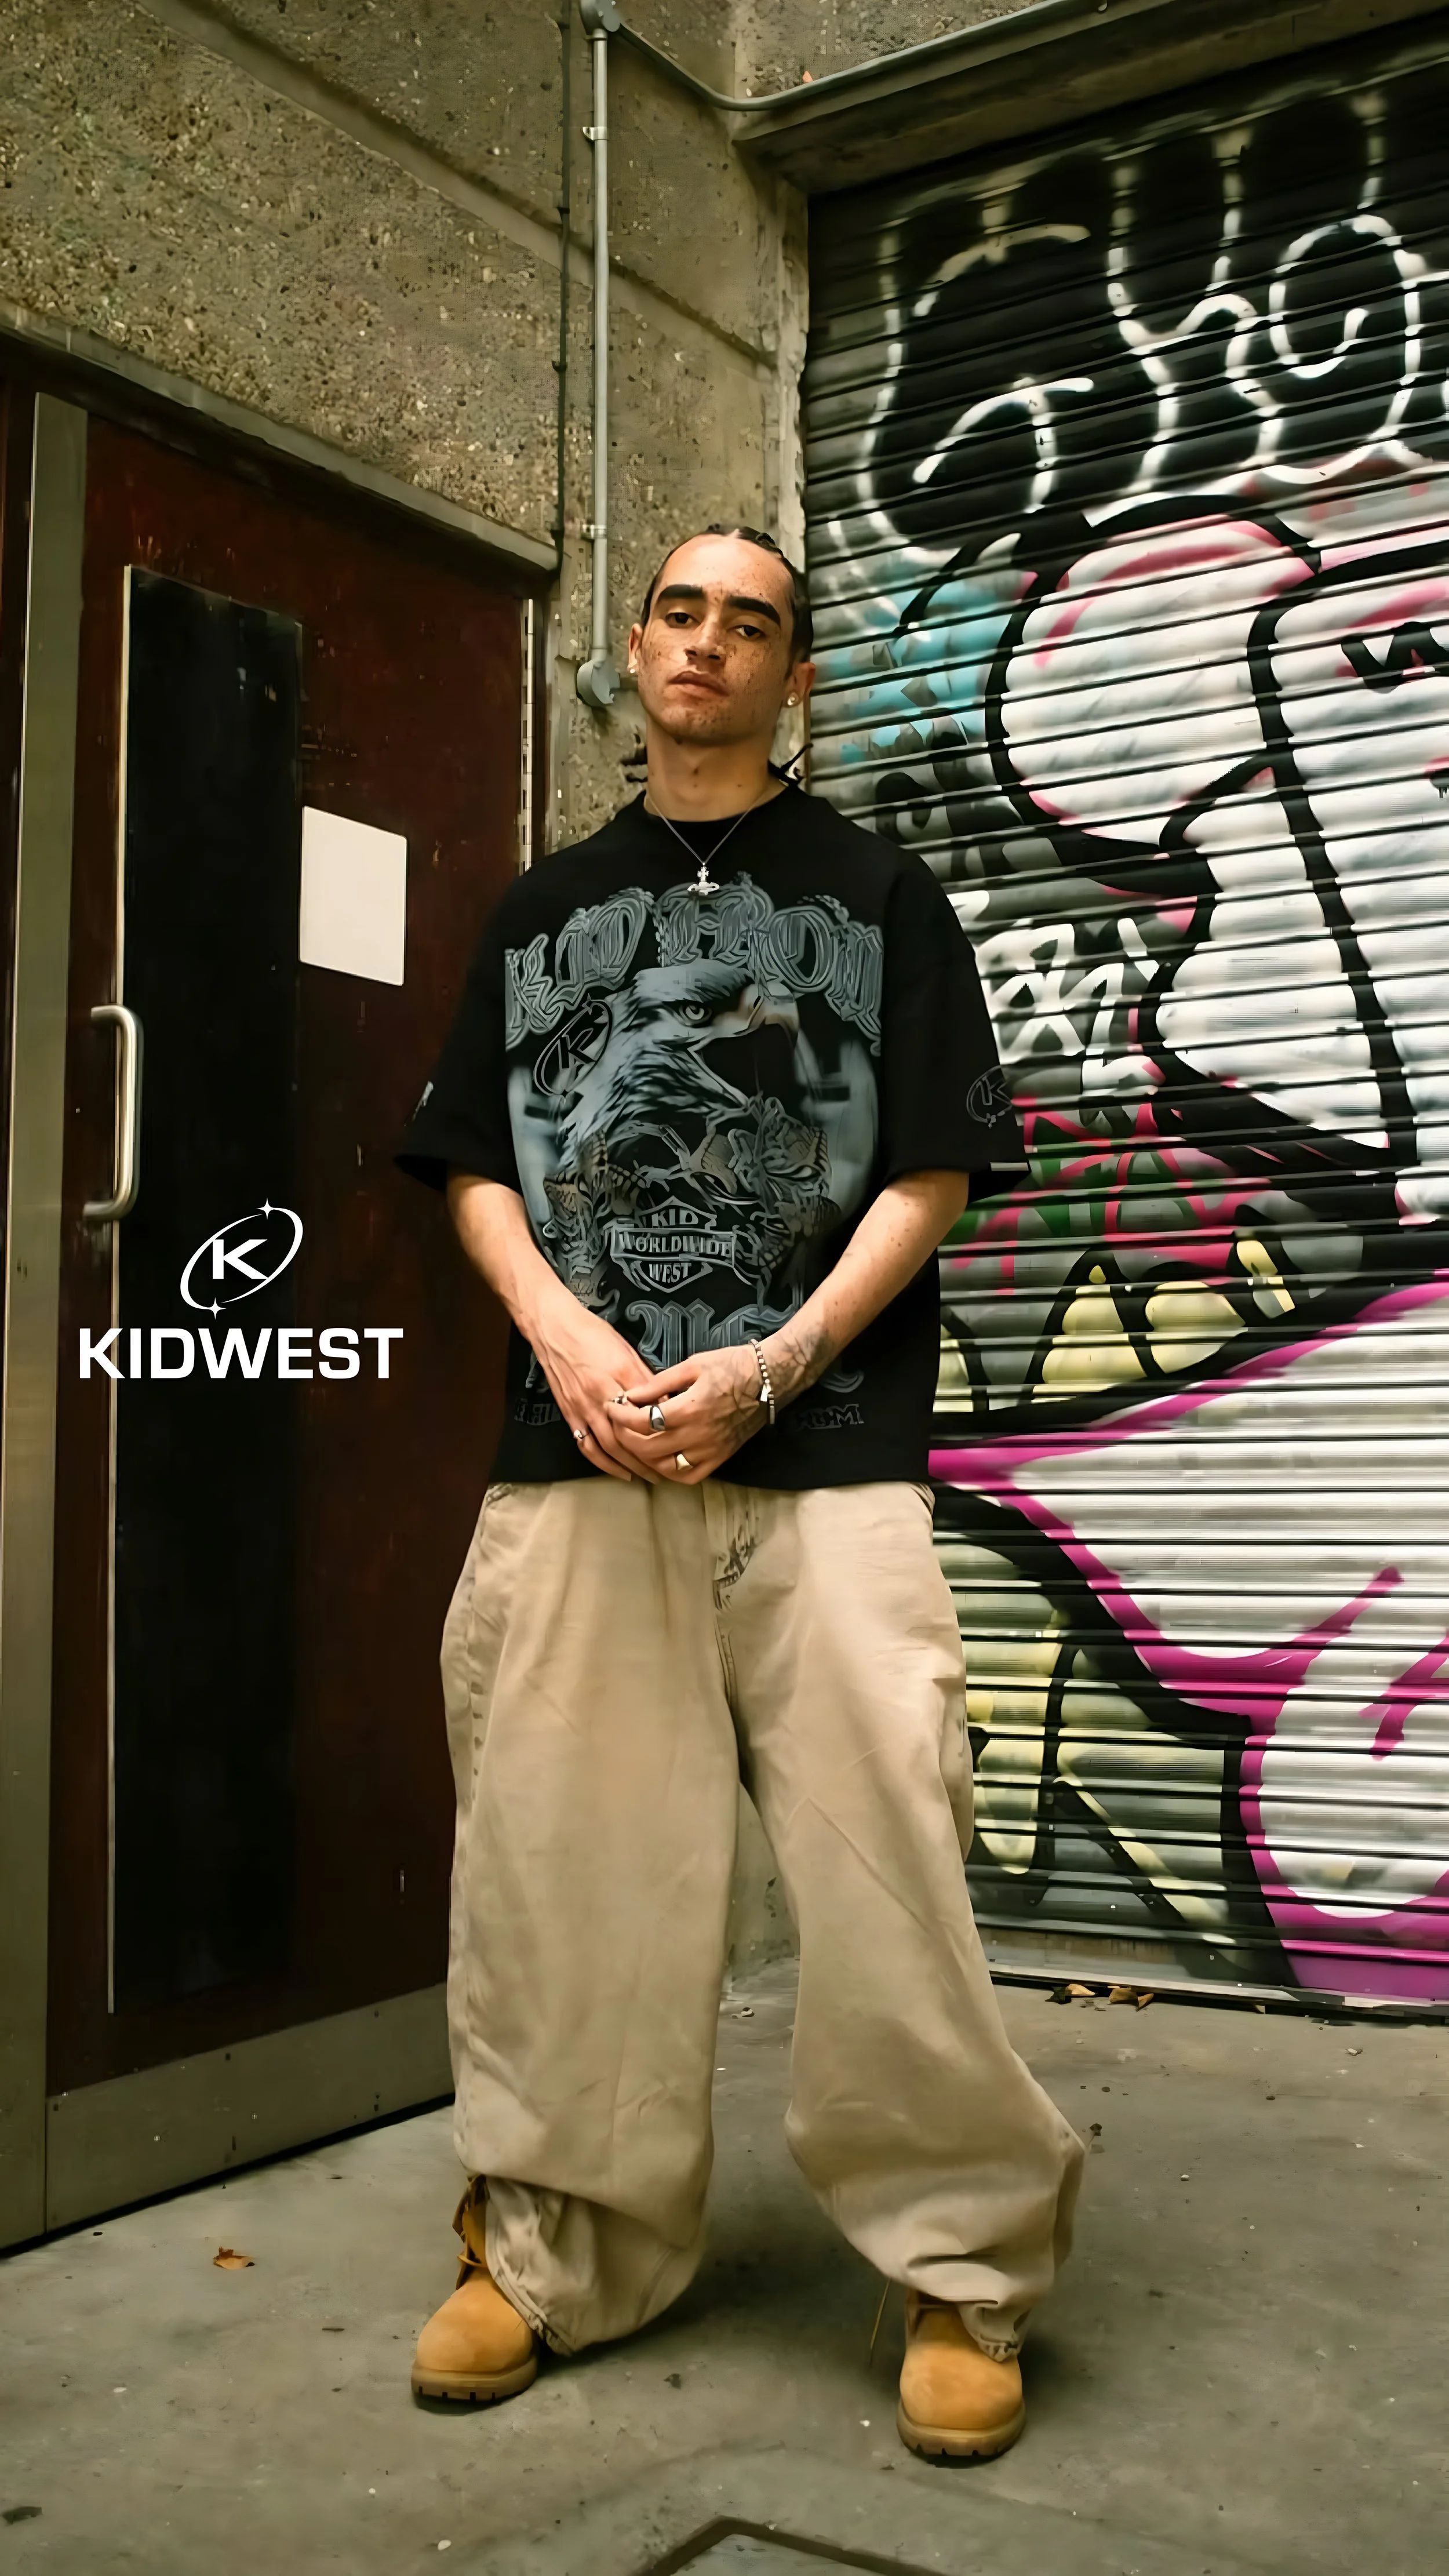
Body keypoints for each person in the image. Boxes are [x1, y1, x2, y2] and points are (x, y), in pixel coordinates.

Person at [395, 524, 1084, 2460]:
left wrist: (779, 1357)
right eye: (680, 611)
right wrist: (559, 1336)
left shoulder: (879, 893)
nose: (707, 644)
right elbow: (472, 1163)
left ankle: (960, 2269)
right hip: (579, 1453)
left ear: (800, 677)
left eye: (750, 623)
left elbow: (932, 1163)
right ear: (635, 648)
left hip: (831, 1450)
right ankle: (555, 2250)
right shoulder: (540, 908)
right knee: (566, 1874)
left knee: (891, 1872)